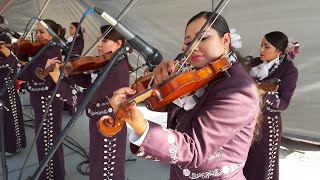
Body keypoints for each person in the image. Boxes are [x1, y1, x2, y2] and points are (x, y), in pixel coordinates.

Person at [109, 11, 260, 180]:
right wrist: (159, 85)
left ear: (225, 40)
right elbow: (176, 110)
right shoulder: (197, 73)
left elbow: (194, 149)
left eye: (203, 38)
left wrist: (142, 127)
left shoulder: (239, 90)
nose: (193, 47)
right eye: (188, 42)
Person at [47, 25, 130, 180]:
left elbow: (84, 100)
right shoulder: (110, 62)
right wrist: (70, 73)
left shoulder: (117, 68)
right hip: (101, 123)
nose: (99, 44)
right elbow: (90, 83)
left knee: (106, 170)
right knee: (98, 164)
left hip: (109, 126)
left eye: (104, 40)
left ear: (118, 44)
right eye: (99, 39)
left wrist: (58, 79)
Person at [244, 31, 299, 180]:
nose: (261, 50)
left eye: (267, 47)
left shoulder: (288, 71)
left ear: (279, 51)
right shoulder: (255, 63)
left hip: (267, 127)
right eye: (261, 45)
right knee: (241, 162)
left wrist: (264, 92)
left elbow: (283, 103)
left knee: (261, 167)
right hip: (246, 121)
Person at [17, 19, 66, 180]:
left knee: (49, 139)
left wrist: (29, 67)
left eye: (41, 32)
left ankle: (53, 176)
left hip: (48, 100)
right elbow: (25, 74)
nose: (37, 35)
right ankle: (48, 174)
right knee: (44, 140)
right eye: (36, 32)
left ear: (52, 34)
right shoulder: (41, 50)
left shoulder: (54, 51)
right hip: (39, 99)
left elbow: (45, 79)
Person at [0, 14, 26, 155]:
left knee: (9, 113)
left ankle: (11, 146)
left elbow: (10, 63)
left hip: (5, 81)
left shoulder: (5, 39)